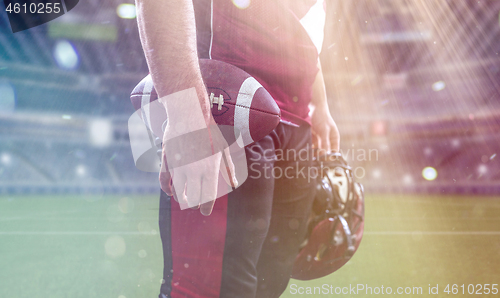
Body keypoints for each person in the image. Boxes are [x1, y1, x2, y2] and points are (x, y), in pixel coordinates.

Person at [134, 0, 340, 297]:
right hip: (229, 95)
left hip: (295, 114)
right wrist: (188, 114)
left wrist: (319, 102)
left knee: (268, 283)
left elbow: (302, 18)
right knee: (207, 290)